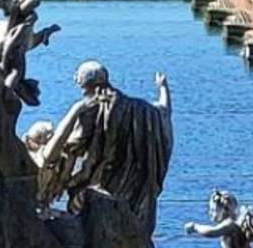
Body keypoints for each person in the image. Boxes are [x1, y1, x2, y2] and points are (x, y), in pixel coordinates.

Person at [40, 62, 173, 236]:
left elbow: (71, 148)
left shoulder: (92, 109)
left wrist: (61, 182)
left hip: (103, 195)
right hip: (140, 200)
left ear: (84, 84)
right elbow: (164, 112)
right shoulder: (144, 110)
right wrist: (163, 88)